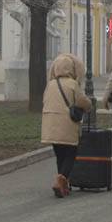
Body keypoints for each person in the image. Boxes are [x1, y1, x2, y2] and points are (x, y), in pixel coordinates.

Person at [41, 53, 92, 198]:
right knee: (71, 152)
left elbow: (45, 101)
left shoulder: (50, 84)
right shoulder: (72, 84)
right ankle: (61, 179)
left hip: (50, 124)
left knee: (60, 154)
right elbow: (82, 101)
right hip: (67, 124)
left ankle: (64, 183)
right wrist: (89, 106)